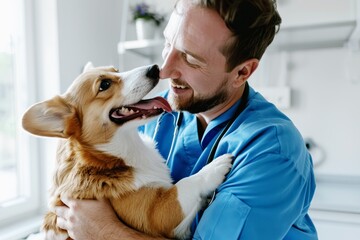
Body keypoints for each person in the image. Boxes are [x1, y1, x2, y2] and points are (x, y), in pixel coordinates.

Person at [55, 0, 318, 239]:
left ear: (242, 71)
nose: (164, 70)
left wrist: (104, 231)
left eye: (191, 59)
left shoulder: (272, 151)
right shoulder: (155, 115)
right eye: (168, 44)